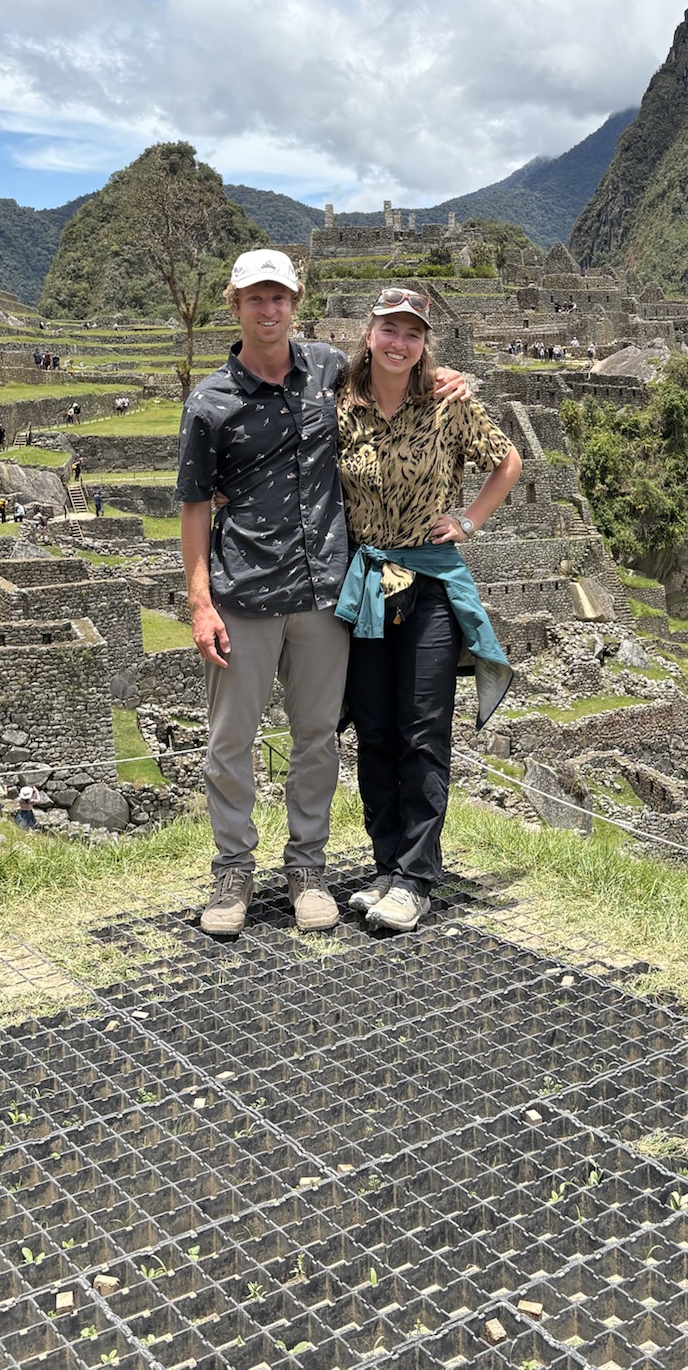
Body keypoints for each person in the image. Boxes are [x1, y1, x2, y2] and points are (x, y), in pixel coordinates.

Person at [177, 250, 466, 939]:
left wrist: (447, 376)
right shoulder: (210, 401)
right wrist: (199, 603)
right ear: (235, 304)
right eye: (255, 298)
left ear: (296, 303)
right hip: (243, 591)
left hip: (323, 593)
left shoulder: (329, 372)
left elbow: (397, 372)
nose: (268, 309)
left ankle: (308, 869)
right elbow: (193, 506)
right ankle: (233, 873)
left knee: (316, 740)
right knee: (230, 741)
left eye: (279, 297)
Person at [335, 288, 521, 933]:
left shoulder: (447, 406)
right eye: (389, 329)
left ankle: (417, 877)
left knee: (421, 728)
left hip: (429, 583)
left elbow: (507, 461)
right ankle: (386, 864)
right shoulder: (342, 408)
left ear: (424, 345)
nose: (399, 343)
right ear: (369, 334)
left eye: (412, 334)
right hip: (366, 585)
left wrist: (469, 520)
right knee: (374, 727)